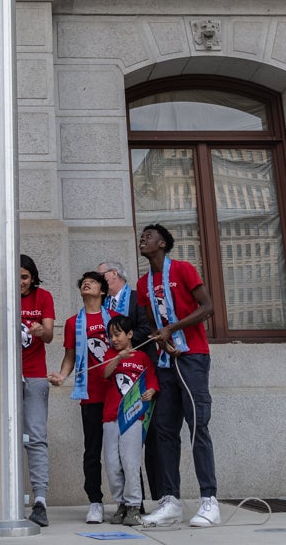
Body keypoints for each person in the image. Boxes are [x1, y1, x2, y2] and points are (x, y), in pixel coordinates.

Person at [136, 223, 222, 529]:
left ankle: (209, 501)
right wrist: (162, 338)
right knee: (164, 431)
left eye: (148, 235)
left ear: (162, 243)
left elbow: (208, 307)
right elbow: (151, 323)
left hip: (193, 357)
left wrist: (173, 328)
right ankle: (170, 501)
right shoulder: (143, 283)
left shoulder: (183, 269)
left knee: (198, 425)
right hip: (164, 362)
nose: (143, 239)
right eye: (142, 236)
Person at [49, 271, 114, 524]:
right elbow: (70, 356)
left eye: (93, 281)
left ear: (103, 291)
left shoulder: (116, 319)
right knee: (92, 450)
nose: (86, 283)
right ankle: (95, 502)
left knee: (122, 450)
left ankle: (131, 502)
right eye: (83, 282)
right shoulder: (72, 322)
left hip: (116, 393)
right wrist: (63, 376)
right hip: (90, 395)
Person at [101, 313, 159, 526]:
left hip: (133, 418)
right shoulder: (109, 354)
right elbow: (105, 374)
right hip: (109, 417)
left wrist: (151, 391)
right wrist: (117, 358)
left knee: (130, 461)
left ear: (130, 334)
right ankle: (121, 504)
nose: (114, 339)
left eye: (118, 334)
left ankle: (134, 506)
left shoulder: (142, 358)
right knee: (112, 463)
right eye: (111, 336)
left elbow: (152, 382)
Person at [15, 254, 55, 526]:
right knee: (9, 439)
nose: (20, 282)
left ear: (33, 277)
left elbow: (50, 335)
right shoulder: (2, 296)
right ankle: (12, 497)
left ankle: (39, 500)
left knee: (36, 438)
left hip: (36, 377)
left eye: (25, 277)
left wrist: (41, 330)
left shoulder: (43, 297)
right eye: (16, 277)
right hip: (8, 376)